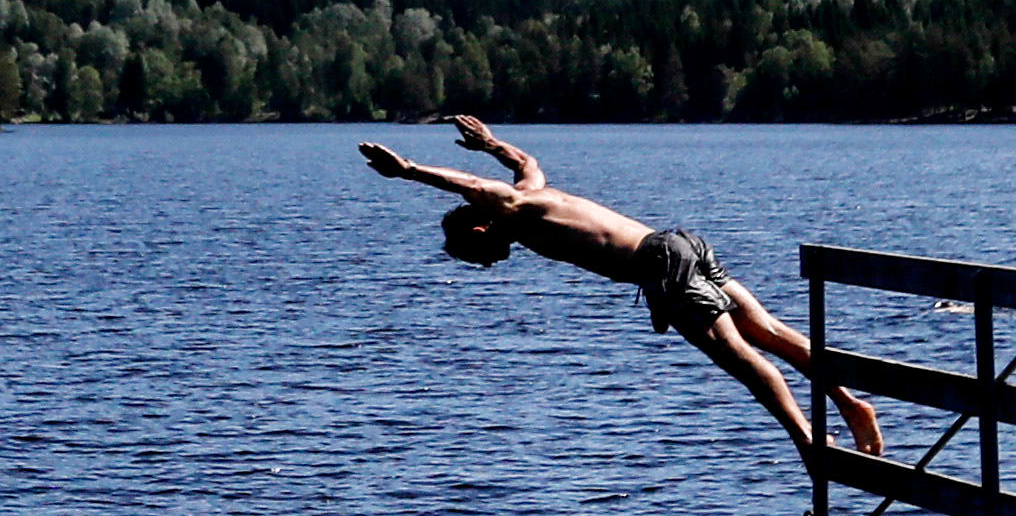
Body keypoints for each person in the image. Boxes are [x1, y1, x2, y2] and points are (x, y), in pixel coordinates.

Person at [360, 111, 881, 455]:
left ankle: (808, 440)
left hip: (658, 263)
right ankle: (850, 403)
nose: (488, 263)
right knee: (767, 330)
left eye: (476, 254)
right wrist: (492, 143)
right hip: (680, 243)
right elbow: (527, 162)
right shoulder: (534, 195)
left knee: (739, 356)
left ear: (478, 226)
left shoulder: (512, 209)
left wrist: (408, 170)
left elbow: (475, 184)